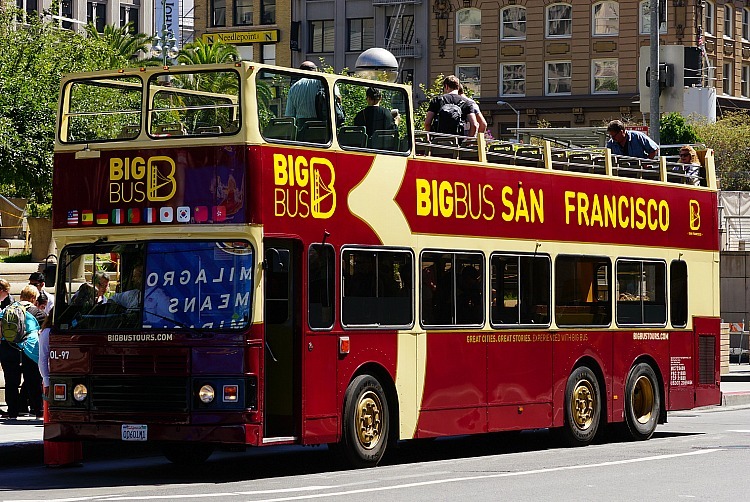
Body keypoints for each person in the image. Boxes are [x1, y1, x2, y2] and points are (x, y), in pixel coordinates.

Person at [0, 285, 43, 419]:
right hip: (28, 350)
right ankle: (38, 411)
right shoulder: (38, 313)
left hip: (8, 349)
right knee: (33, 381)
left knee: (11, 382)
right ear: (33, 298)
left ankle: (12, 413)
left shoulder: (7, 310)